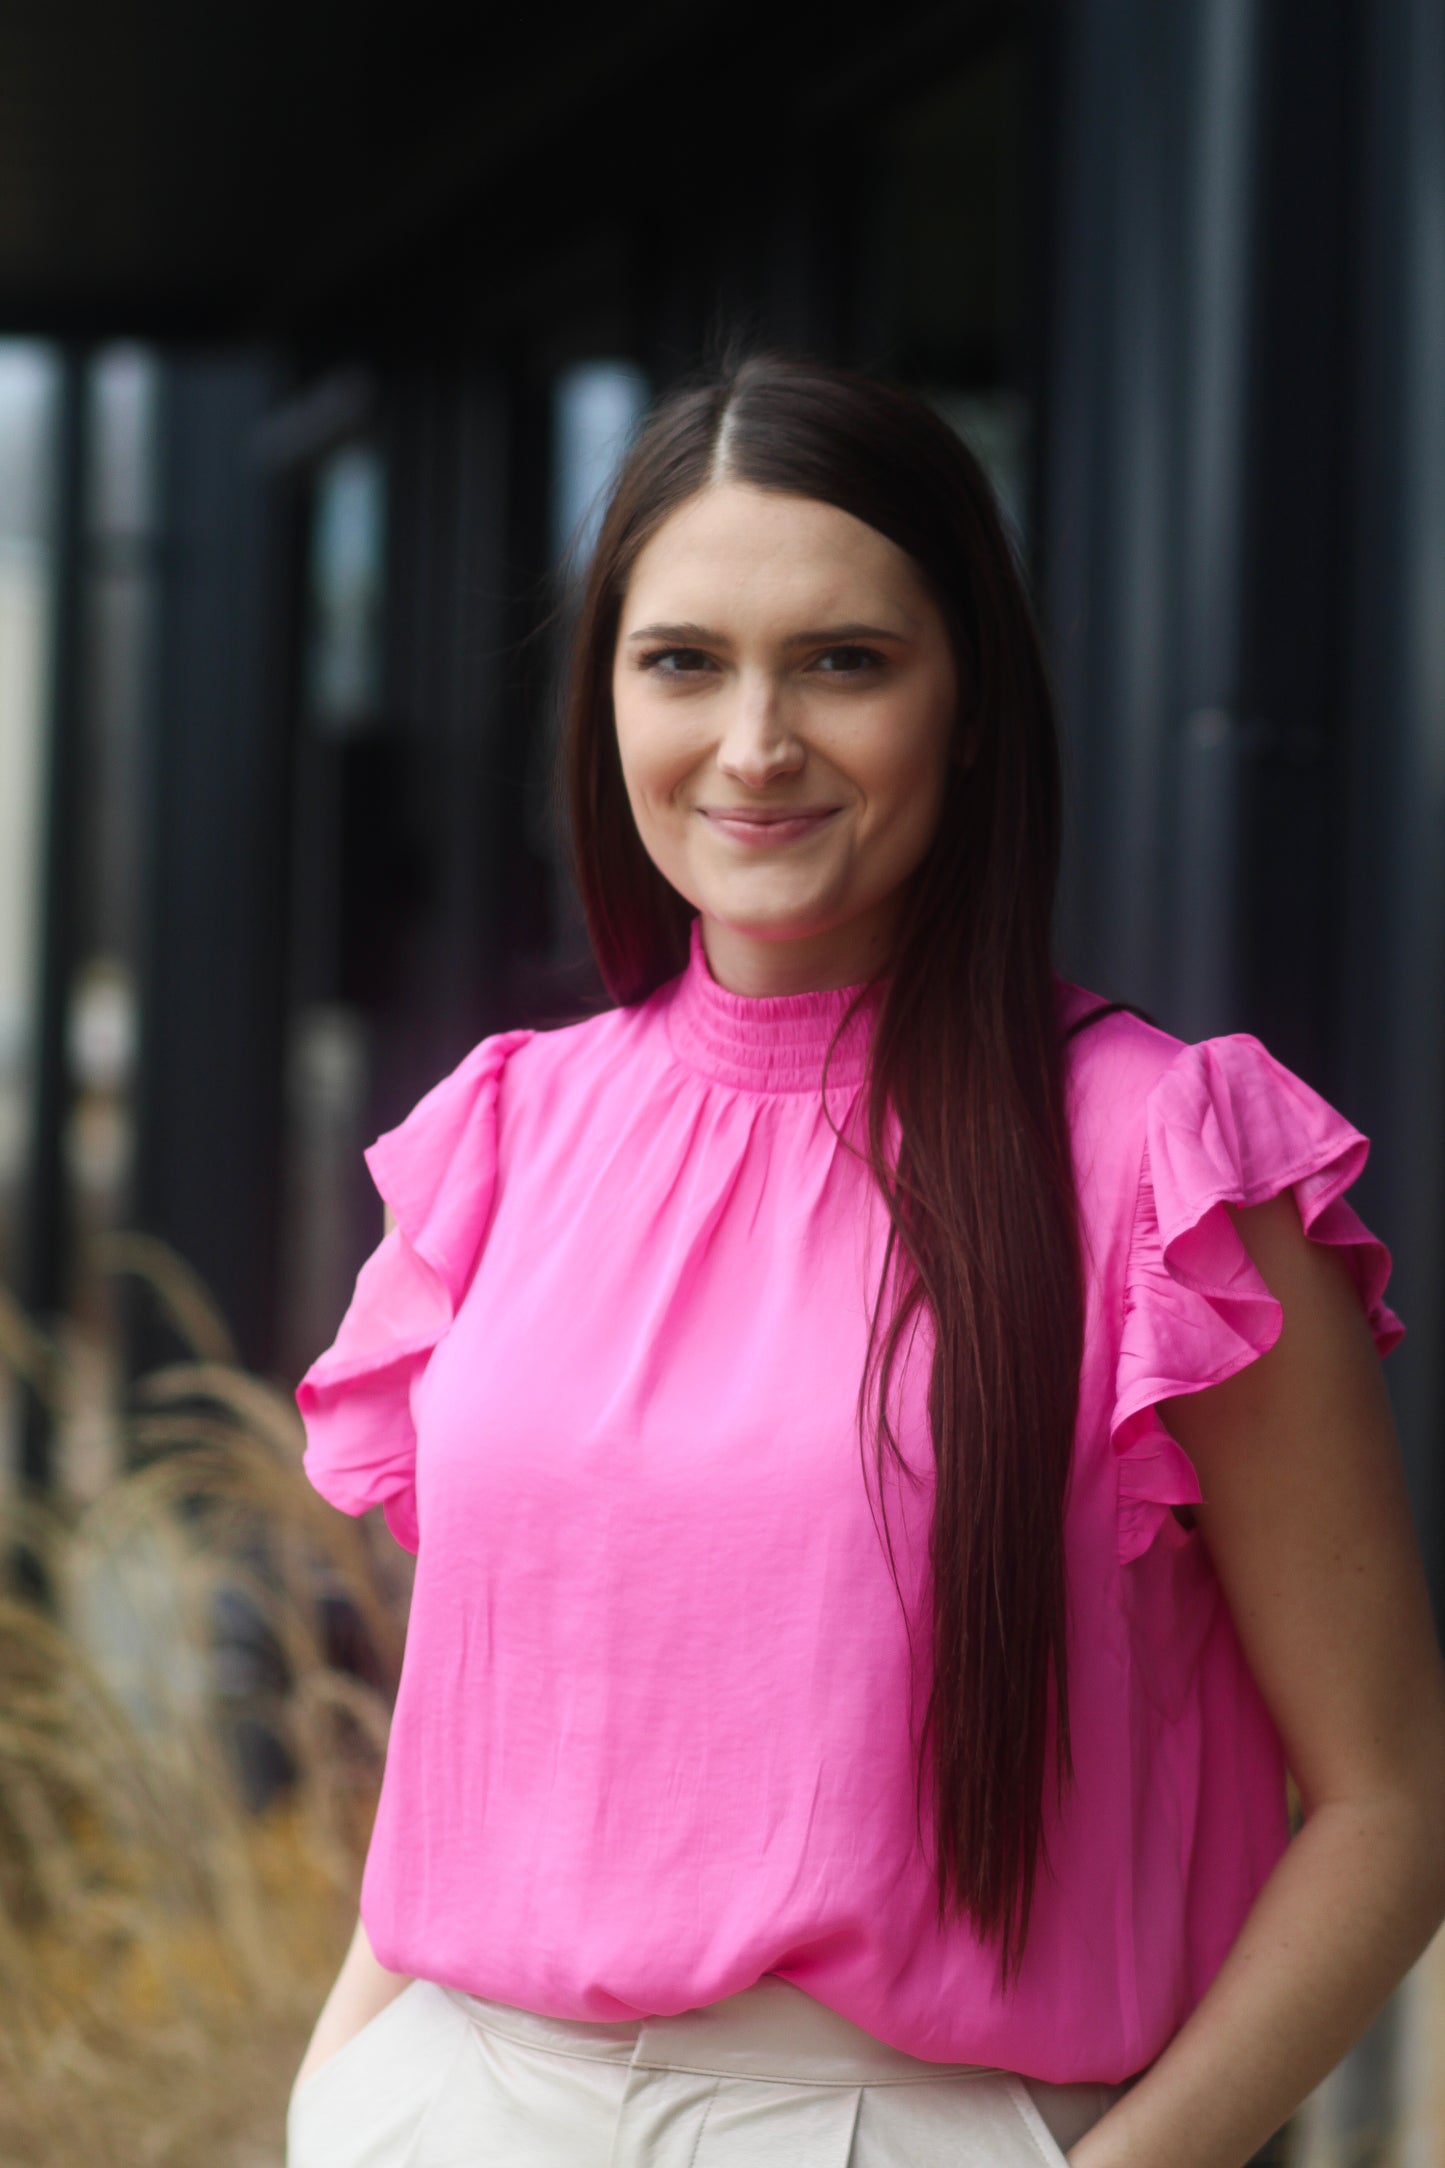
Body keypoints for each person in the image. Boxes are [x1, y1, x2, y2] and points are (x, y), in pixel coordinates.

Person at [285, 353, 1445, 2168]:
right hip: (451, 2103)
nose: (753, 745)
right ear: (603, 702)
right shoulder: (509, 1135)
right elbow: (497, 1709)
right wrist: (345, 2087)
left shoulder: (1163, 1165)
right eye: (682, 662)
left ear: (965, 703)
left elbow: (1391, 1796)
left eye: (843, 660)